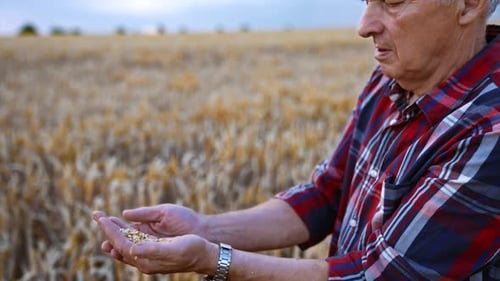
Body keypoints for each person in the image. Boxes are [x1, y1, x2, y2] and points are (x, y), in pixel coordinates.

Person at [93, 0, 500, 280]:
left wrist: (211, 259)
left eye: (392, 2)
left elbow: (379, 275)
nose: (364, 26)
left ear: (467, 4)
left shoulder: (490, 128)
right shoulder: (391, 79)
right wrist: (206, 227)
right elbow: (326, 193)